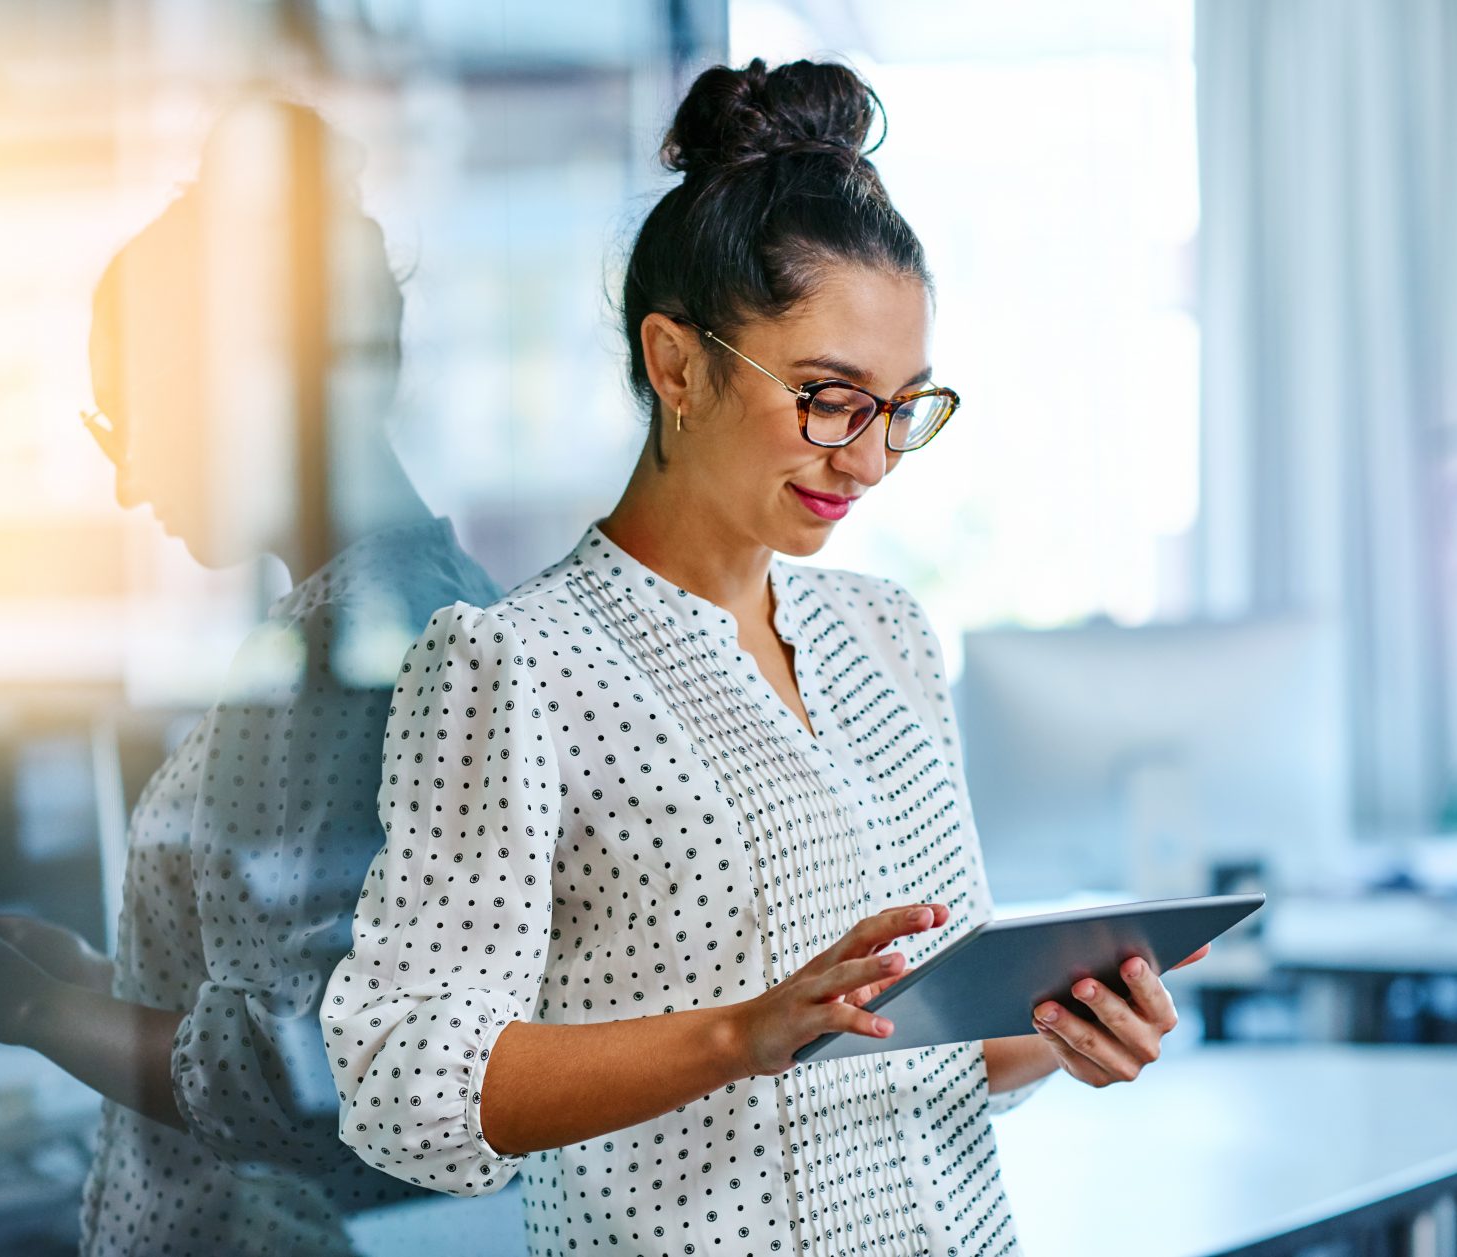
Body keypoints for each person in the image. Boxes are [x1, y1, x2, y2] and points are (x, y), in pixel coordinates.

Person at [320, 58, 1203, 1257]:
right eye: (828, 398)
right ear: (676, 363)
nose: (870, 460)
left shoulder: (881, 634)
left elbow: (919, 1044)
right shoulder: (511, 666)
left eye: (902, 409)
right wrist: (738, 1035)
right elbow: (402, 1083)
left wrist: (1063, 1027)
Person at [0, 99, 499, 1255]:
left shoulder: (339, 662)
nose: (126, 482)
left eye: (126, 421)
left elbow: (309, 1083)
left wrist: (29, 1009)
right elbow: (291, 1000)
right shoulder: (433, 598)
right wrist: (95, 977)